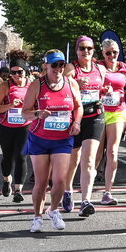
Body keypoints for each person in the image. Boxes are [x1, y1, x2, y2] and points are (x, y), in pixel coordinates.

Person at [23, 50, 83, 233]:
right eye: (54, 65)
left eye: (61, 65)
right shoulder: (37, 85)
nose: (58, 69)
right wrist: (37, 113)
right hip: (40, 138)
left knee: (59, 179)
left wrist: (77, 122)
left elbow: (78, 106)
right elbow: (24, 112)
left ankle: (54, 210)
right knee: (41, 182)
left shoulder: (71, 83)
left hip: (63, 139)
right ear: (46, 66)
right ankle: (37, 217)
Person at [63, 36, 108, 217]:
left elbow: (100, 89)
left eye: (89, 48)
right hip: (75, 117)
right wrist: (75, 86)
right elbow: (60, 88)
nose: (86, 51)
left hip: (95, 115)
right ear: (77, 50)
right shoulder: (71, 69)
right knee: (73, 160)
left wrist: (105, 91)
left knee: (89, 160)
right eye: (82, 48)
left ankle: (85, 200)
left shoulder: (100, 69)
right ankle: (67, 190)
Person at [98, 39, 126, 207]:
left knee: (112, 151)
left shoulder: (125, 68)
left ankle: (107, 192)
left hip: (118, 111)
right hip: (98, 112)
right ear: (102, 53)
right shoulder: (97, 67)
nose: (112, 56)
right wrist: (102, 91)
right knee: (96, 154)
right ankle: (86, 191)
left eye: (115, 52)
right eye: (108, 53)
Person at [0, 59, 32, 202]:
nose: (16, 75)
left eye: (19, 72)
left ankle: (18, 190)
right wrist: (10, 105)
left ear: (25, 72)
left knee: (21, 156)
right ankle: (6, 180)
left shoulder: (32, 85)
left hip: (25, 126)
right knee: (7, 158)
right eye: (13, 72)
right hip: (7, 127)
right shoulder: (5, 86)